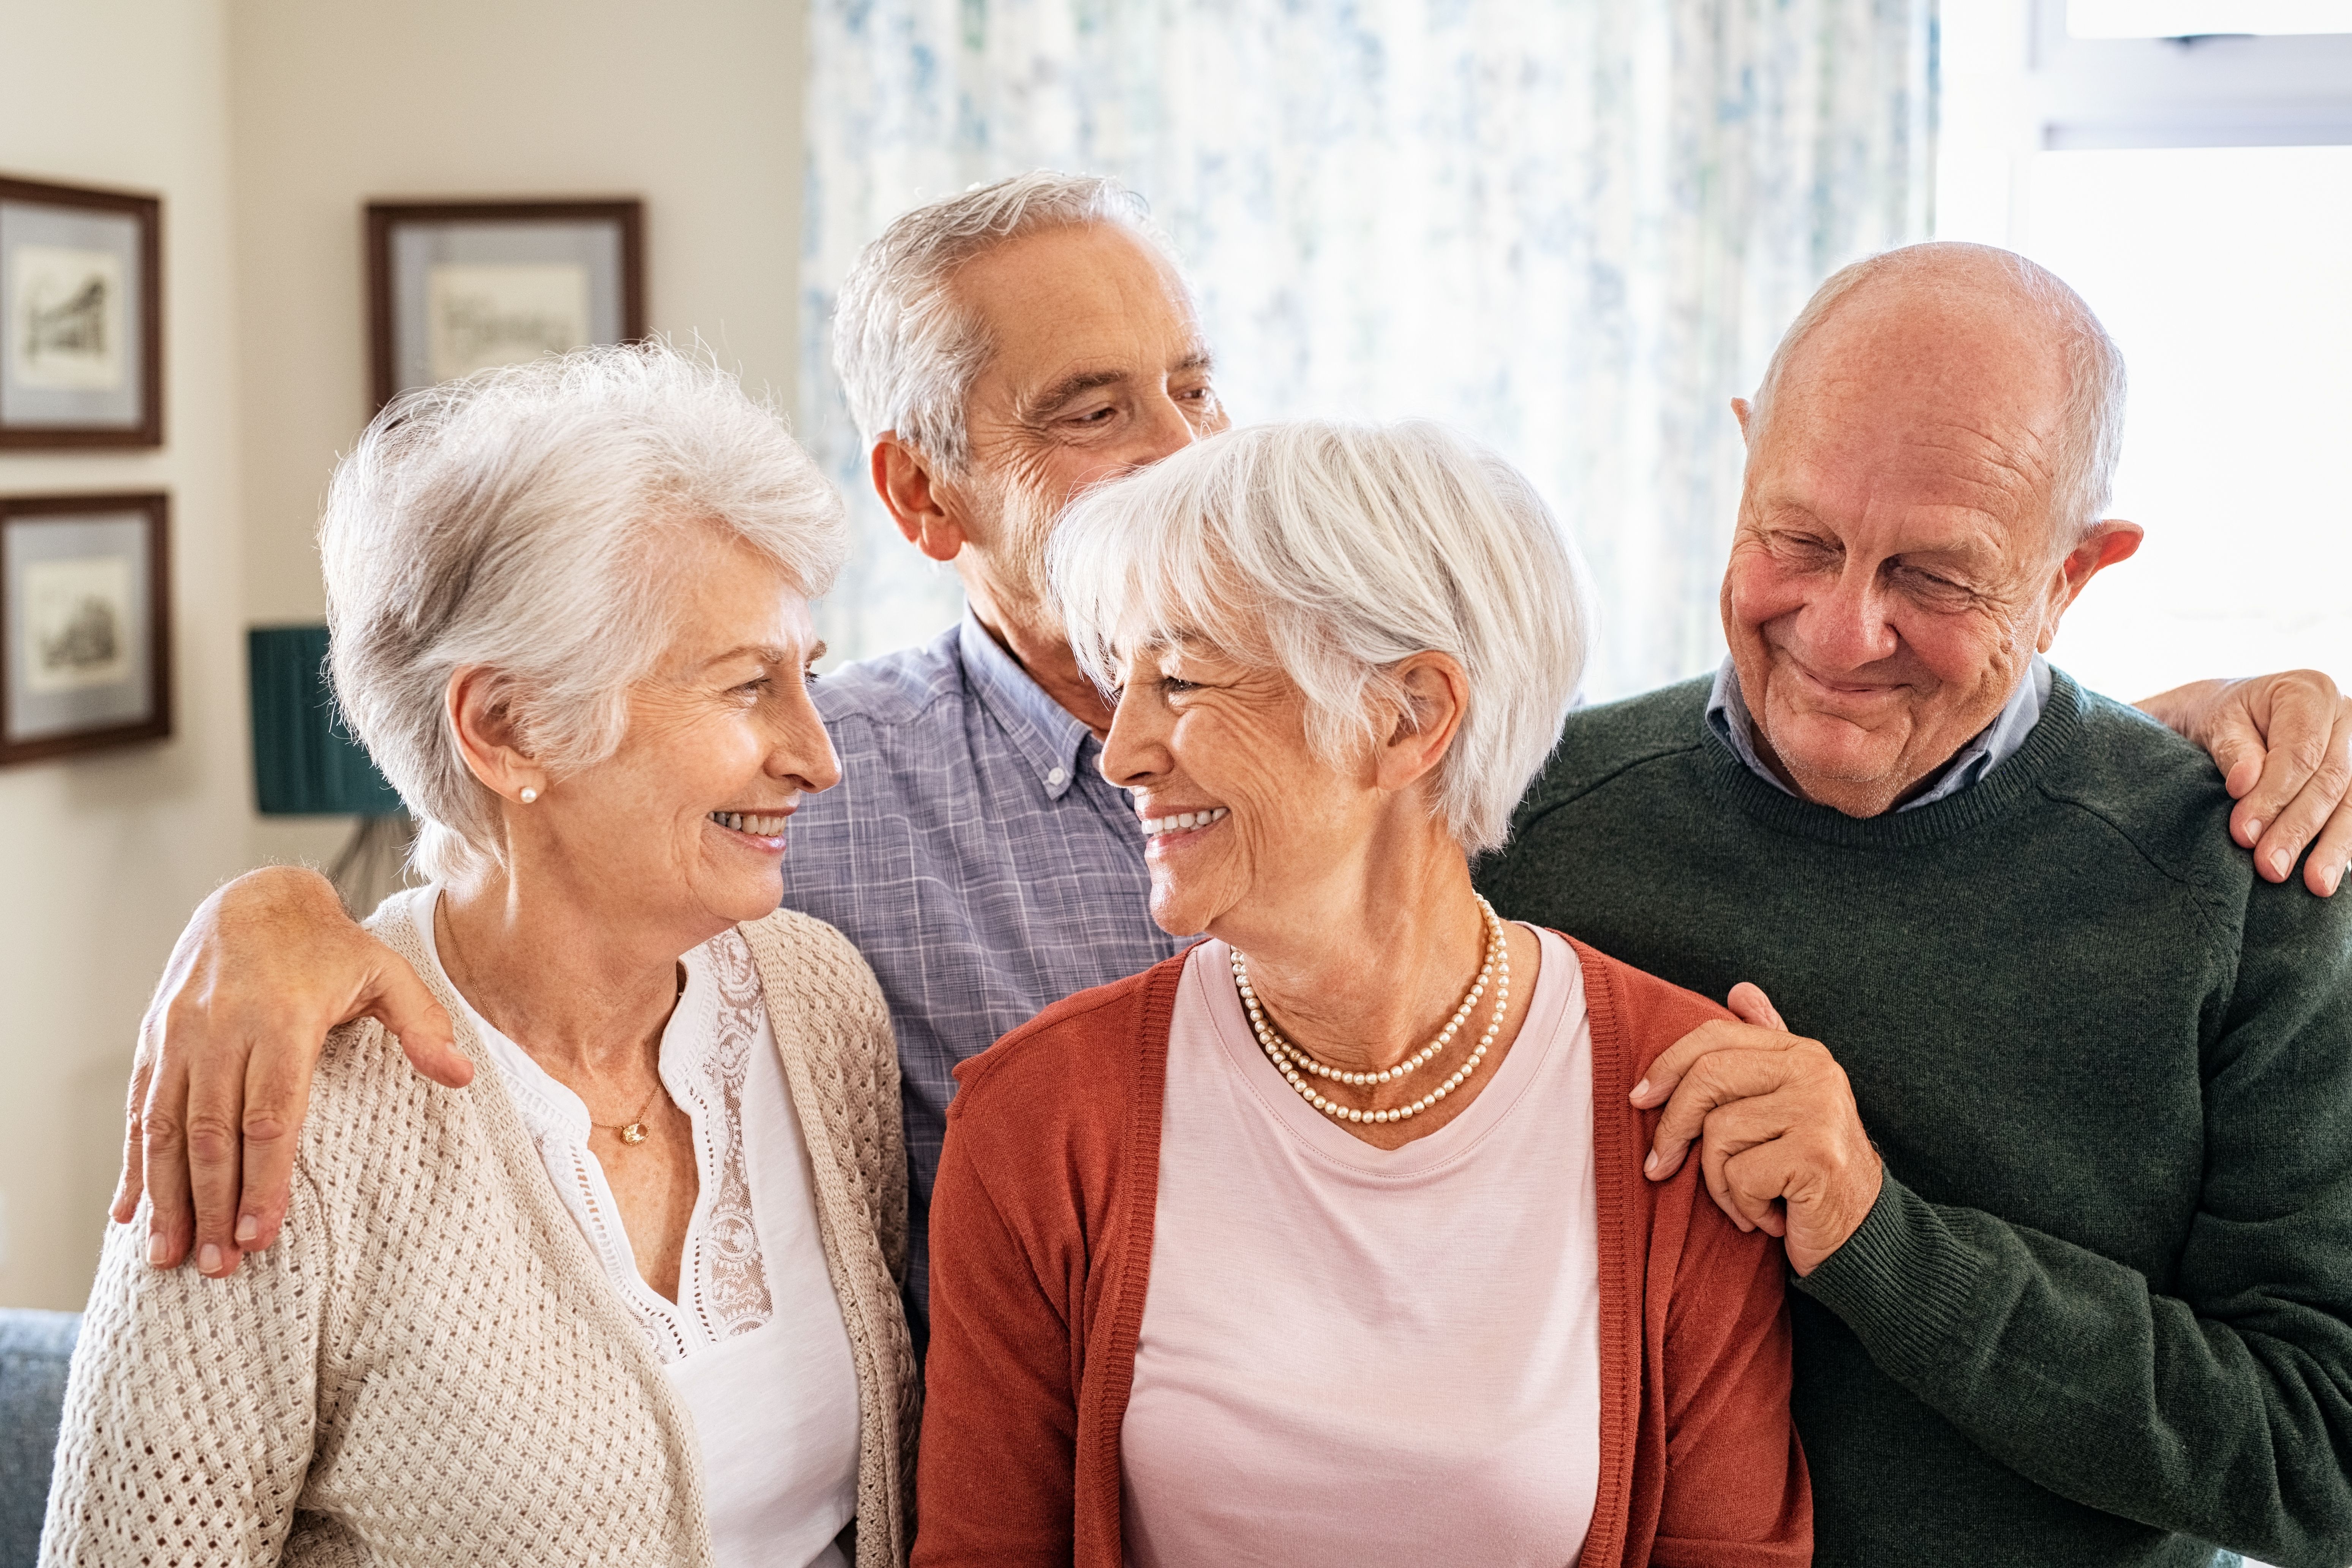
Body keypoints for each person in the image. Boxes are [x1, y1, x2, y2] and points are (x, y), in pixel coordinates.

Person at [113, 174, 2352, 1340]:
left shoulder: (1483, 794)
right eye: (1092, 413)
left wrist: (2172, 733)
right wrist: (270, 917)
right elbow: (508, 889)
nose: (1188, 446)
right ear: (923, 499)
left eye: (1195, 382)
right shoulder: (812, 803)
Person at [1476, 243, 2352, 1566]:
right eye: (1800, 540)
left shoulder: (2254, 883)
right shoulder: (1521, 827)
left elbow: (2320, 1459)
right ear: (1743, 458)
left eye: (1934, 579)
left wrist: (1878, 1236)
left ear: (2074, 577)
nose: (1839, 634)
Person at [43, 347, 915, 1567]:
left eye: (805, 678)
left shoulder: (817, 1003)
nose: (818, 757)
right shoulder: (287, 1099)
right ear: (507, 728)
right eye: (746, 688)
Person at [916, 419, 1808, 1566]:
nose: (1122, 749)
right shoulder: (1042, 1117)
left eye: (1180, 678)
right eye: (1119, 684)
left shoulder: (1678, 1099)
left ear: (1408, 718)